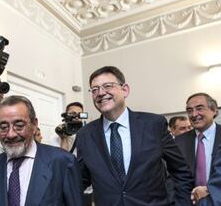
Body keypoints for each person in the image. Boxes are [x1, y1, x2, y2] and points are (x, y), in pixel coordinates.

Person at [75, 66, 194, 206]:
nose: (100, 93)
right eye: (94, 89)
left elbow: (180, 171)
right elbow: (81, 180)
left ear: (125, 90)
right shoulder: (85, 134)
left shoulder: (153, 124)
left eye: (107, 86)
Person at [0, 95, 85, 205]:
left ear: (34, 124)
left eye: (19, 125)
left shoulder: (63, 162)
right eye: (4, 127)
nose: (11, 134)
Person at [175, 93, 221, 191]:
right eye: (189, 111)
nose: (194, 114)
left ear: (214, 110)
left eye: (199, 108)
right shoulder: (179, 141)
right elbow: (175, 176)